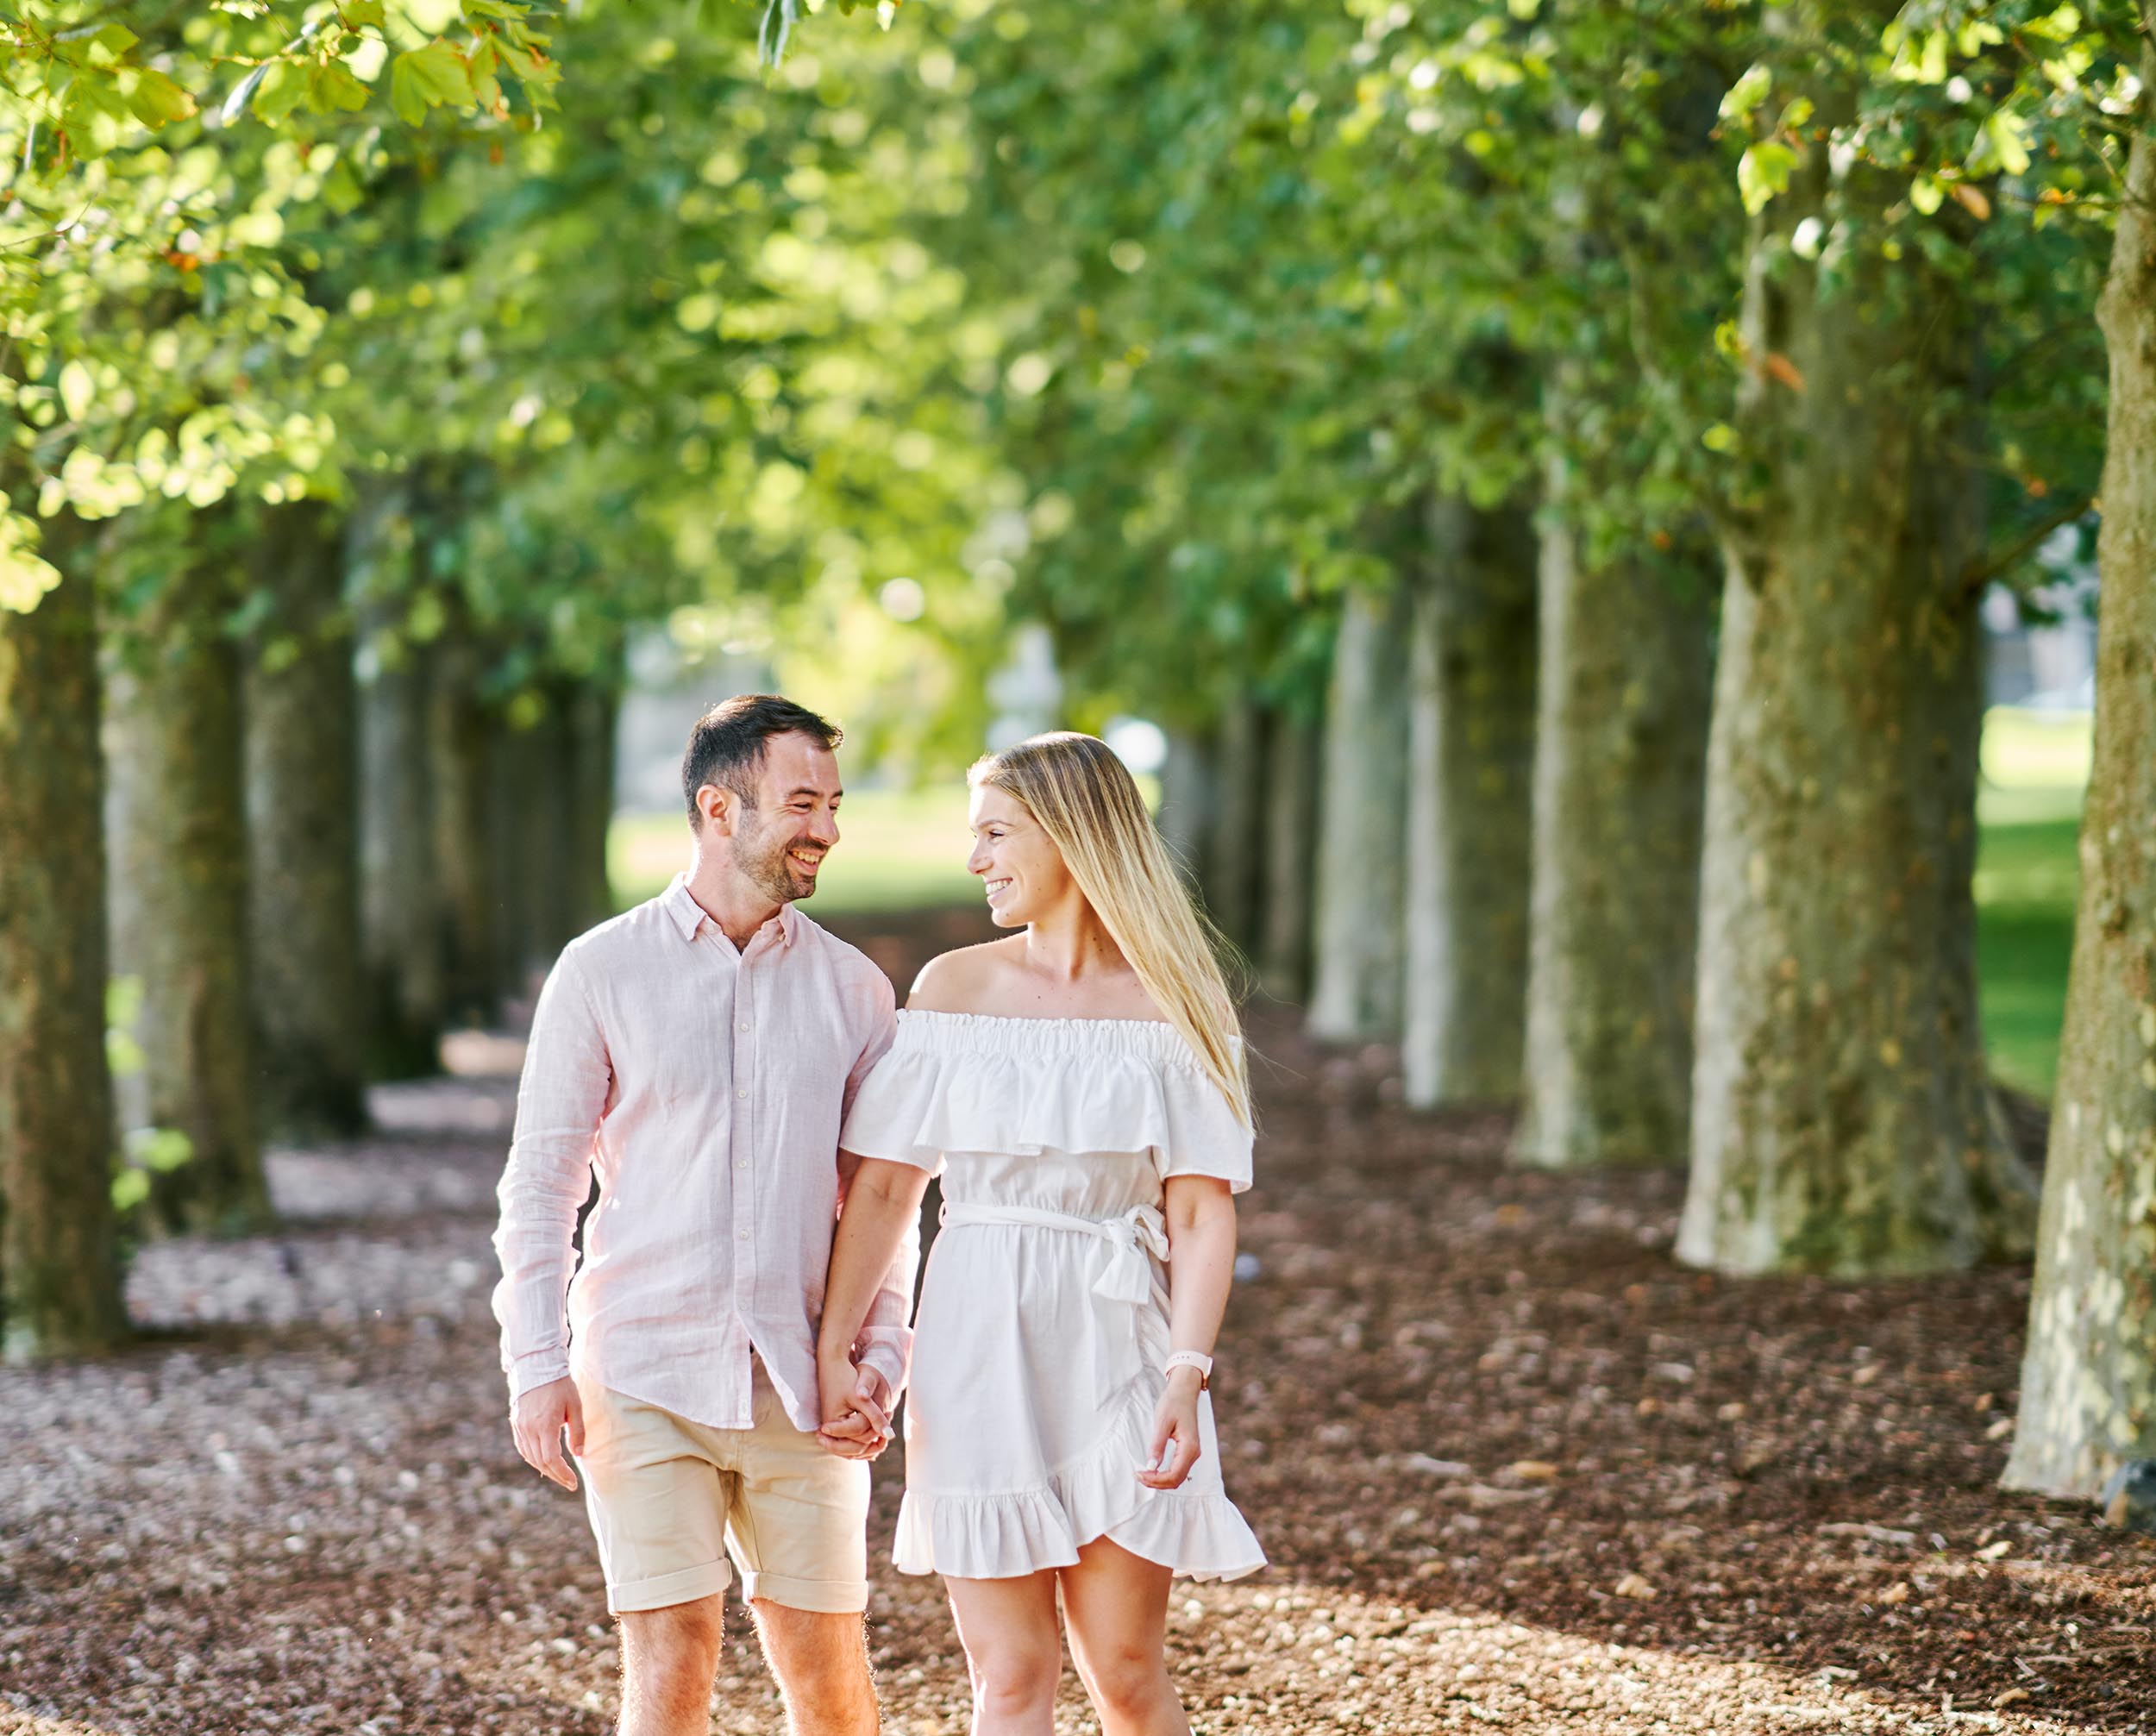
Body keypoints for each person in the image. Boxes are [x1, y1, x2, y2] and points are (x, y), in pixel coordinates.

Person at [815, 730, 1265, 1736]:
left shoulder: (1173, 1006)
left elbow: (1199, 1210)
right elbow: (886, 1189)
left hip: (1124, 1352)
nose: (975, 860)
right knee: (1011, 1679)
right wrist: (835, 1345)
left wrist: (1185, 1379)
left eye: (995, 833)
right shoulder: (951, 989)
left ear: (1071, 835)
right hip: (979, 1345)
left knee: (1125, 1669)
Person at [491, 694, 914, 1736]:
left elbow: (885, 1200)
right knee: (671, 1660)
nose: (827, 827)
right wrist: (535, 1362)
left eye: (834, 803)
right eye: (801, 801)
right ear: (717, 808)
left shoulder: (857, 992)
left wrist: (878, 1354)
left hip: (801, 1379)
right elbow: (542, 1183)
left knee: (825, 1675)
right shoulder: (600, 972)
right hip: (639, 1370)